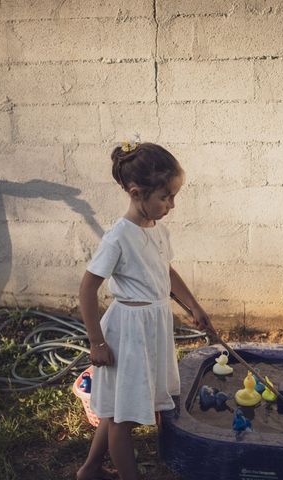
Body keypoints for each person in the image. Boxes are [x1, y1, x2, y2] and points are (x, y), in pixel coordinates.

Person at [77, 141, 213, 480]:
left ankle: (90, 470)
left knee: (116, 408)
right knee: (122, 418)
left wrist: (193, 305)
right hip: (127, 334)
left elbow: (166, 271)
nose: (172, 205)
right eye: (165, 197)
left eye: (173, 196)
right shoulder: (118, 238)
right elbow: (87, 288)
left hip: (152, 329)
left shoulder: (158, 230)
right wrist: (96, 342)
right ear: (137, 193)